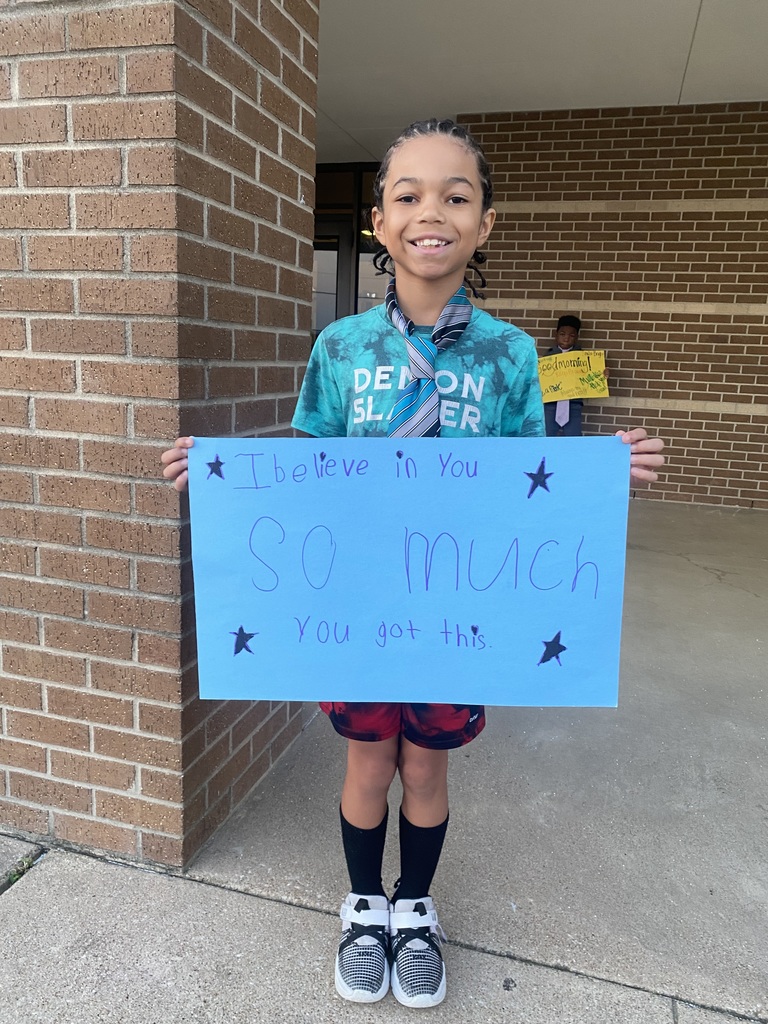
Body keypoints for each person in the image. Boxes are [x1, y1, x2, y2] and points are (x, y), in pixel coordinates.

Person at [161, 118, 665, 1009]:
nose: (432, 212)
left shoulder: (511, 354)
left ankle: (414, 909)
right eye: (408, 195)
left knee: (426, 768)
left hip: (455, 612)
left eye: (456, 196)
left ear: (485, 223)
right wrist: (221, 476)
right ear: (380, 225)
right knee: (368, 763)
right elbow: (309, 473)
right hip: (360, 608)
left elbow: (526, 481)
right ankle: (364, 909)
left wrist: (600, 472)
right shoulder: (340, 348)